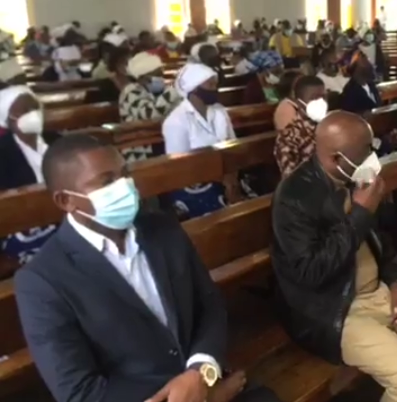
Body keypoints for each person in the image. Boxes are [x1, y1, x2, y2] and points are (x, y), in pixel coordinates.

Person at [15, 134, 281, 402]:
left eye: (125, 174)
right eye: (107, 181)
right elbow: (79, 392)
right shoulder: (42, 281)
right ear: (66, 200)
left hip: (208, 379)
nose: (124, 186)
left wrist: (202, 372)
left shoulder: (161, 228)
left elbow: (208, 303)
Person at [271, 110, 397, 401]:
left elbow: (383, 242)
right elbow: (311, 272)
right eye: (366, 151)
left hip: (378, 291)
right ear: (336, 159)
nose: (373, 157)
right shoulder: (294, 197)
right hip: (335, 310)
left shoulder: (355, 177)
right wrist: (359, 214)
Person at [162, 63, 235, 218]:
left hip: (226, 174)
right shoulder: (176, 121)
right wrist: (219, 177)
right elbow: (179, 166)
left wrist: (231, 178)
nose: (215, 89)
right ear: (194, 89)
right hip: (194, 182)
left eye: (215, 84)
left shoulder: (219, 111)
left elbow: (233, 145)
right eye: (210, 85)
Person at [0, 86, 59, 266]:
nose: (32, 114)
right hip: (24, 224)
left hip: (62, 212)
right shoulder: (3, 152)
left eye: (35, 107)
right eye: (24, 110)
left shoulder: (55, 139)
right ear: (8, 119)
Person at [274, 75, 326, 177]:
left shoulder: (330, 125)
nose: (321, 102)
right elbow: (290, 176)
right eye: (314, 98)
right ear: (299, 101)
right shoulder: (289, 136)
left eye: (324, 97)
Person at [119, 51, 180, 123]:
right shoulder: (130, 92)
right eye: (157, 74)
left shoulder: (160, 89)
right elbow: (149, 114)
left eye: (162, 73)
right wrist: (173, 90)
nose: (162, 78)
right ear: (142, 79)